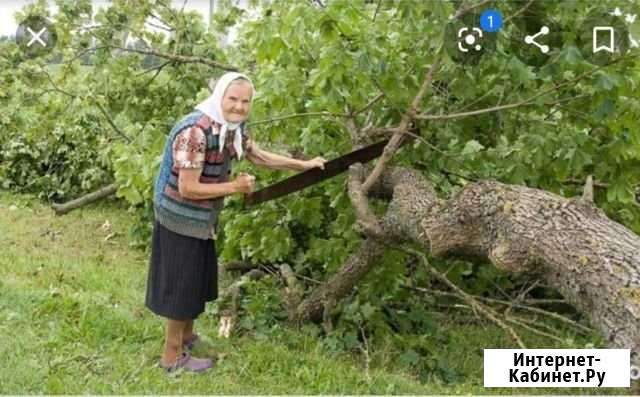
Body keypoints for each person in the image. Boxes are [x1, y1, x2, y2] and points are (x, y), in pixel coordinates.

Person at [145, 72, 327, 373]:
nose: (240, 107)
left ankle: (187, 336)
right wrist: (235, 187)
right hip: (178, 216)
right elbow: (187, 188)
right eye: (233, 99)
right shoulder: (196, 133)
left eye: (246, 101)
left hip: (202, 217)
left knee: (196, 279)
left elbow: (258, 156)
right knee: (181, 285)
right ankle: (171, 357)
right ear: (219, 97)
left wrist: (302, 165)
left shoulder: (232, 128)